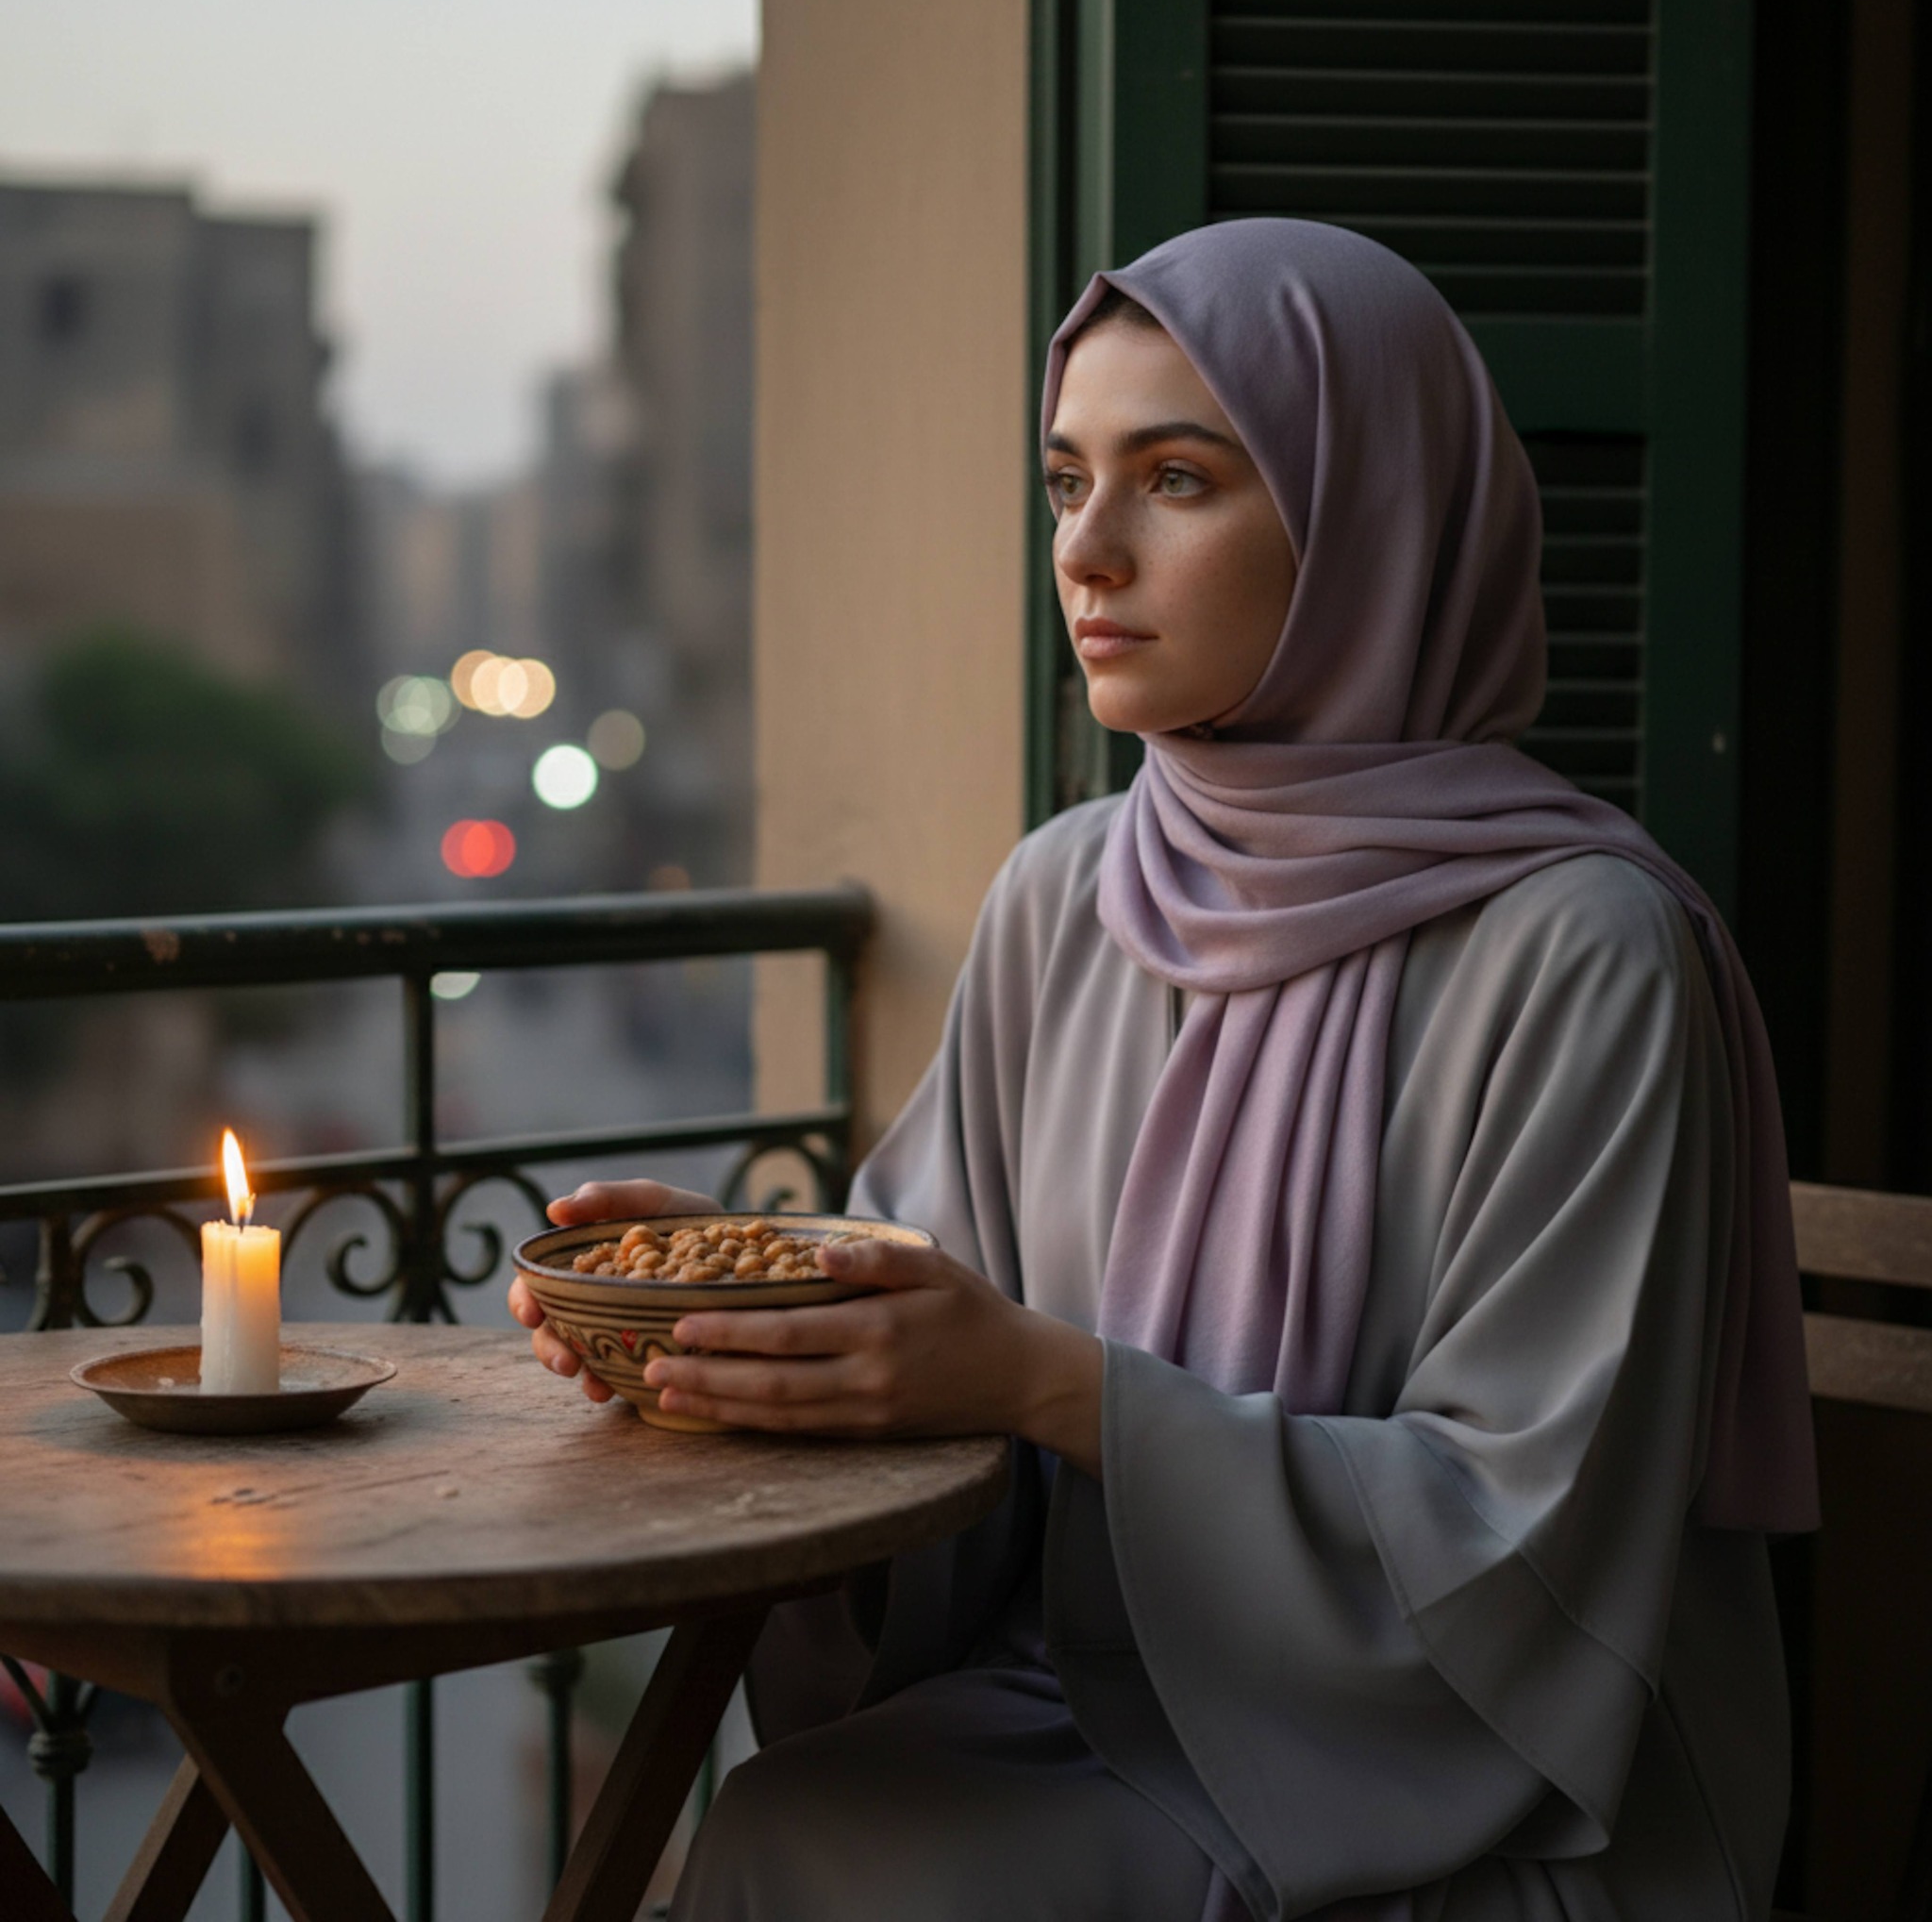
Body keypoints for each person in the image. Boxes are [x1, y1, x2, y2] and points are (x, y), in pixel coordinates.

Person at [508, 219, 1819, 1920]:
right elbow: (940, 1345)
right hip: (1089, 1704)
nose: (1088, 554)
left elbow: (1527, 1545)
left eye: (1180, 480)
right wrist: (767, 1298)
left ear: (1373, 527)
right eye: (1067, 483)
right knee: (801, 1821)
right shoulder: (1069, 892)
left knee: (833, 1848)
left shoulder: (1585, 950)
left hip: (1506, 1797)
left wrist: (1055, 1387)